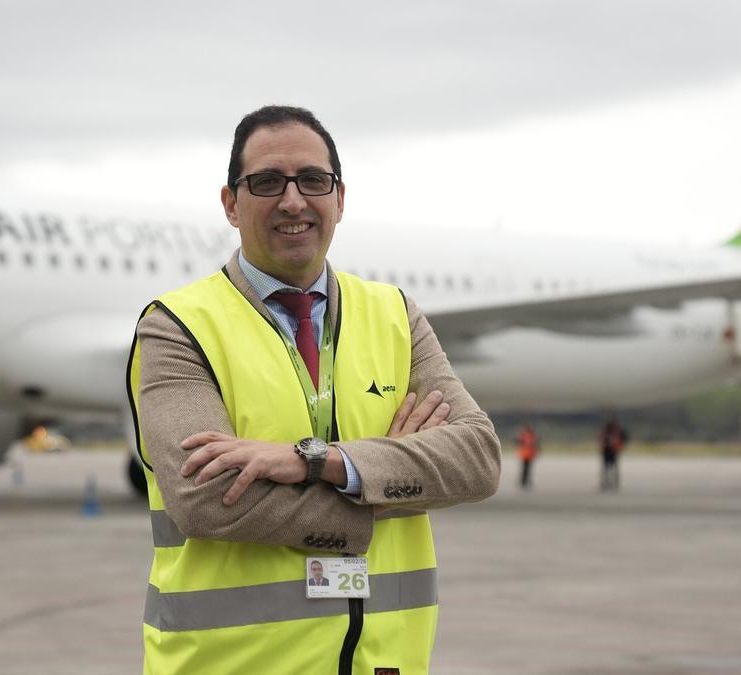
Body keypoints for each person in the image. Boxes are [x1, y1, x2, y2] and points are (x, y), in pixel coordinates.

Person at [127, 105, 501, 674]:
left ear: (340, 198)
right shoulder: (177, 326)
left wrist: (319, 462)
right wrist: (386, 487)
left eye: (313, 180)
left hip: (386, 663)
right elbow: (205, 498)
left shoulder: (395, 315)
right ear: (231, 204)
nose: (293, 200)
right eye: (267, 182)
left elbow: (476, 459)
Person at [599, 416, 626, 491]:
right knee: (610, 469)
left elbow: (602, 442)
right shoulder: (612, 432)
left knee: (608, 469)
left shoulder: (611, 432)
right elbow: (602, 442)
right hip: (610, 451)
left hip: (610, 451)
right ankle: (610, 483)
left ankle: (609, 483)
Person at [517, 424, 539, 489]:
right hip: (526, 454)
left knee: (526, 469)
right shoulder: (530, 435)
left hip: (528, 454)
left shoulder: (527, 435)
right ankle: (524, 482)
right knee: (526, 469)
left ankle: (525, 482)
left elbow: (535, 444)